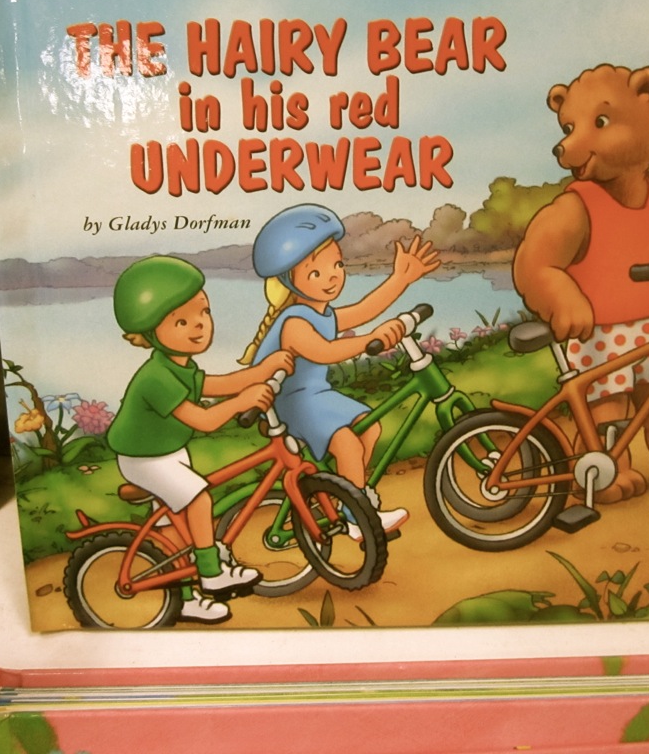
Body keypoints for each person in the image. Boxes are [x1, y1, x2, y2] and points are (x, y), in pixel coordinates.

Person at [107, 255, 293, 624]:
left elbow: (218, 384)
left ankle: (185, 599)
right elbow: (204, 420)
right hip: (144, 459)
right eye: (181, 321)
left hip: (169, 452)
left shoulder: (180, 365)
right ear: (150, 331)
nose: (199, 325)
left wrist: (262, 370)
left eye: (203, 312)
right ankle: (211, 572)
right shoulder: (156, 377)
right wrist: (241, 401)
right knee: (199, 499)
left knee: (175, 530)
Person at [241, 204, 440, 536]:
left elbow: (364, 310)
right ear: (290, 280)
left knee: (369, 428)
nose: (333, 276)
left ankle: (348, 493)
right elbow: (326, 351)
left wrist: (401, 278)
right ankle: (356, 515)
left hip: (316, 395)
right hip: (291, 402)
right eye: (316, 273)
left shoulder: (320, 313)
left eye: (337, 265)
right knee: (347, 443)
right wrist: (373, 339)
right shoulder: (293, 322)